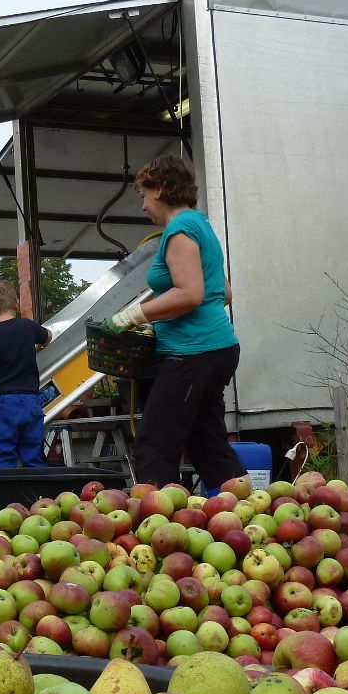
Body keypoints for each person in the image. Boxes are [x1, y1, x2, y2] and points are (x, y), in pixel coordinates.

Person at [101, 153, 245, 489]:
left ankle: (157, 528)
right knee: (206, 443)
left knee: (154, 444)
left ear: (162, 188)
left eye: (144, 196)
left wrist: (133, 315)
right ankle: (248, 517)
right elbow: (222, 292)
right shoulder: (200, 225)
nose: (143, 206)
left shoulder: (179, 229)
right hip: (216, 348)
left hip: (192, 353)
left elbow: (191, 293)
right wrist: (161, 318)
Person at [0, 281, 52, 468]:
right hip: (30, 400)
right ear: (16, 302)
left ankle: (3, 495)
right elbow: (48, 336)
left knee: (3, 452)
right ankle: (40, 494)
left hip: (3, 403)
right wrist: (34, 346)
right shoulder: (28, 327)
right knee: (33, 451)